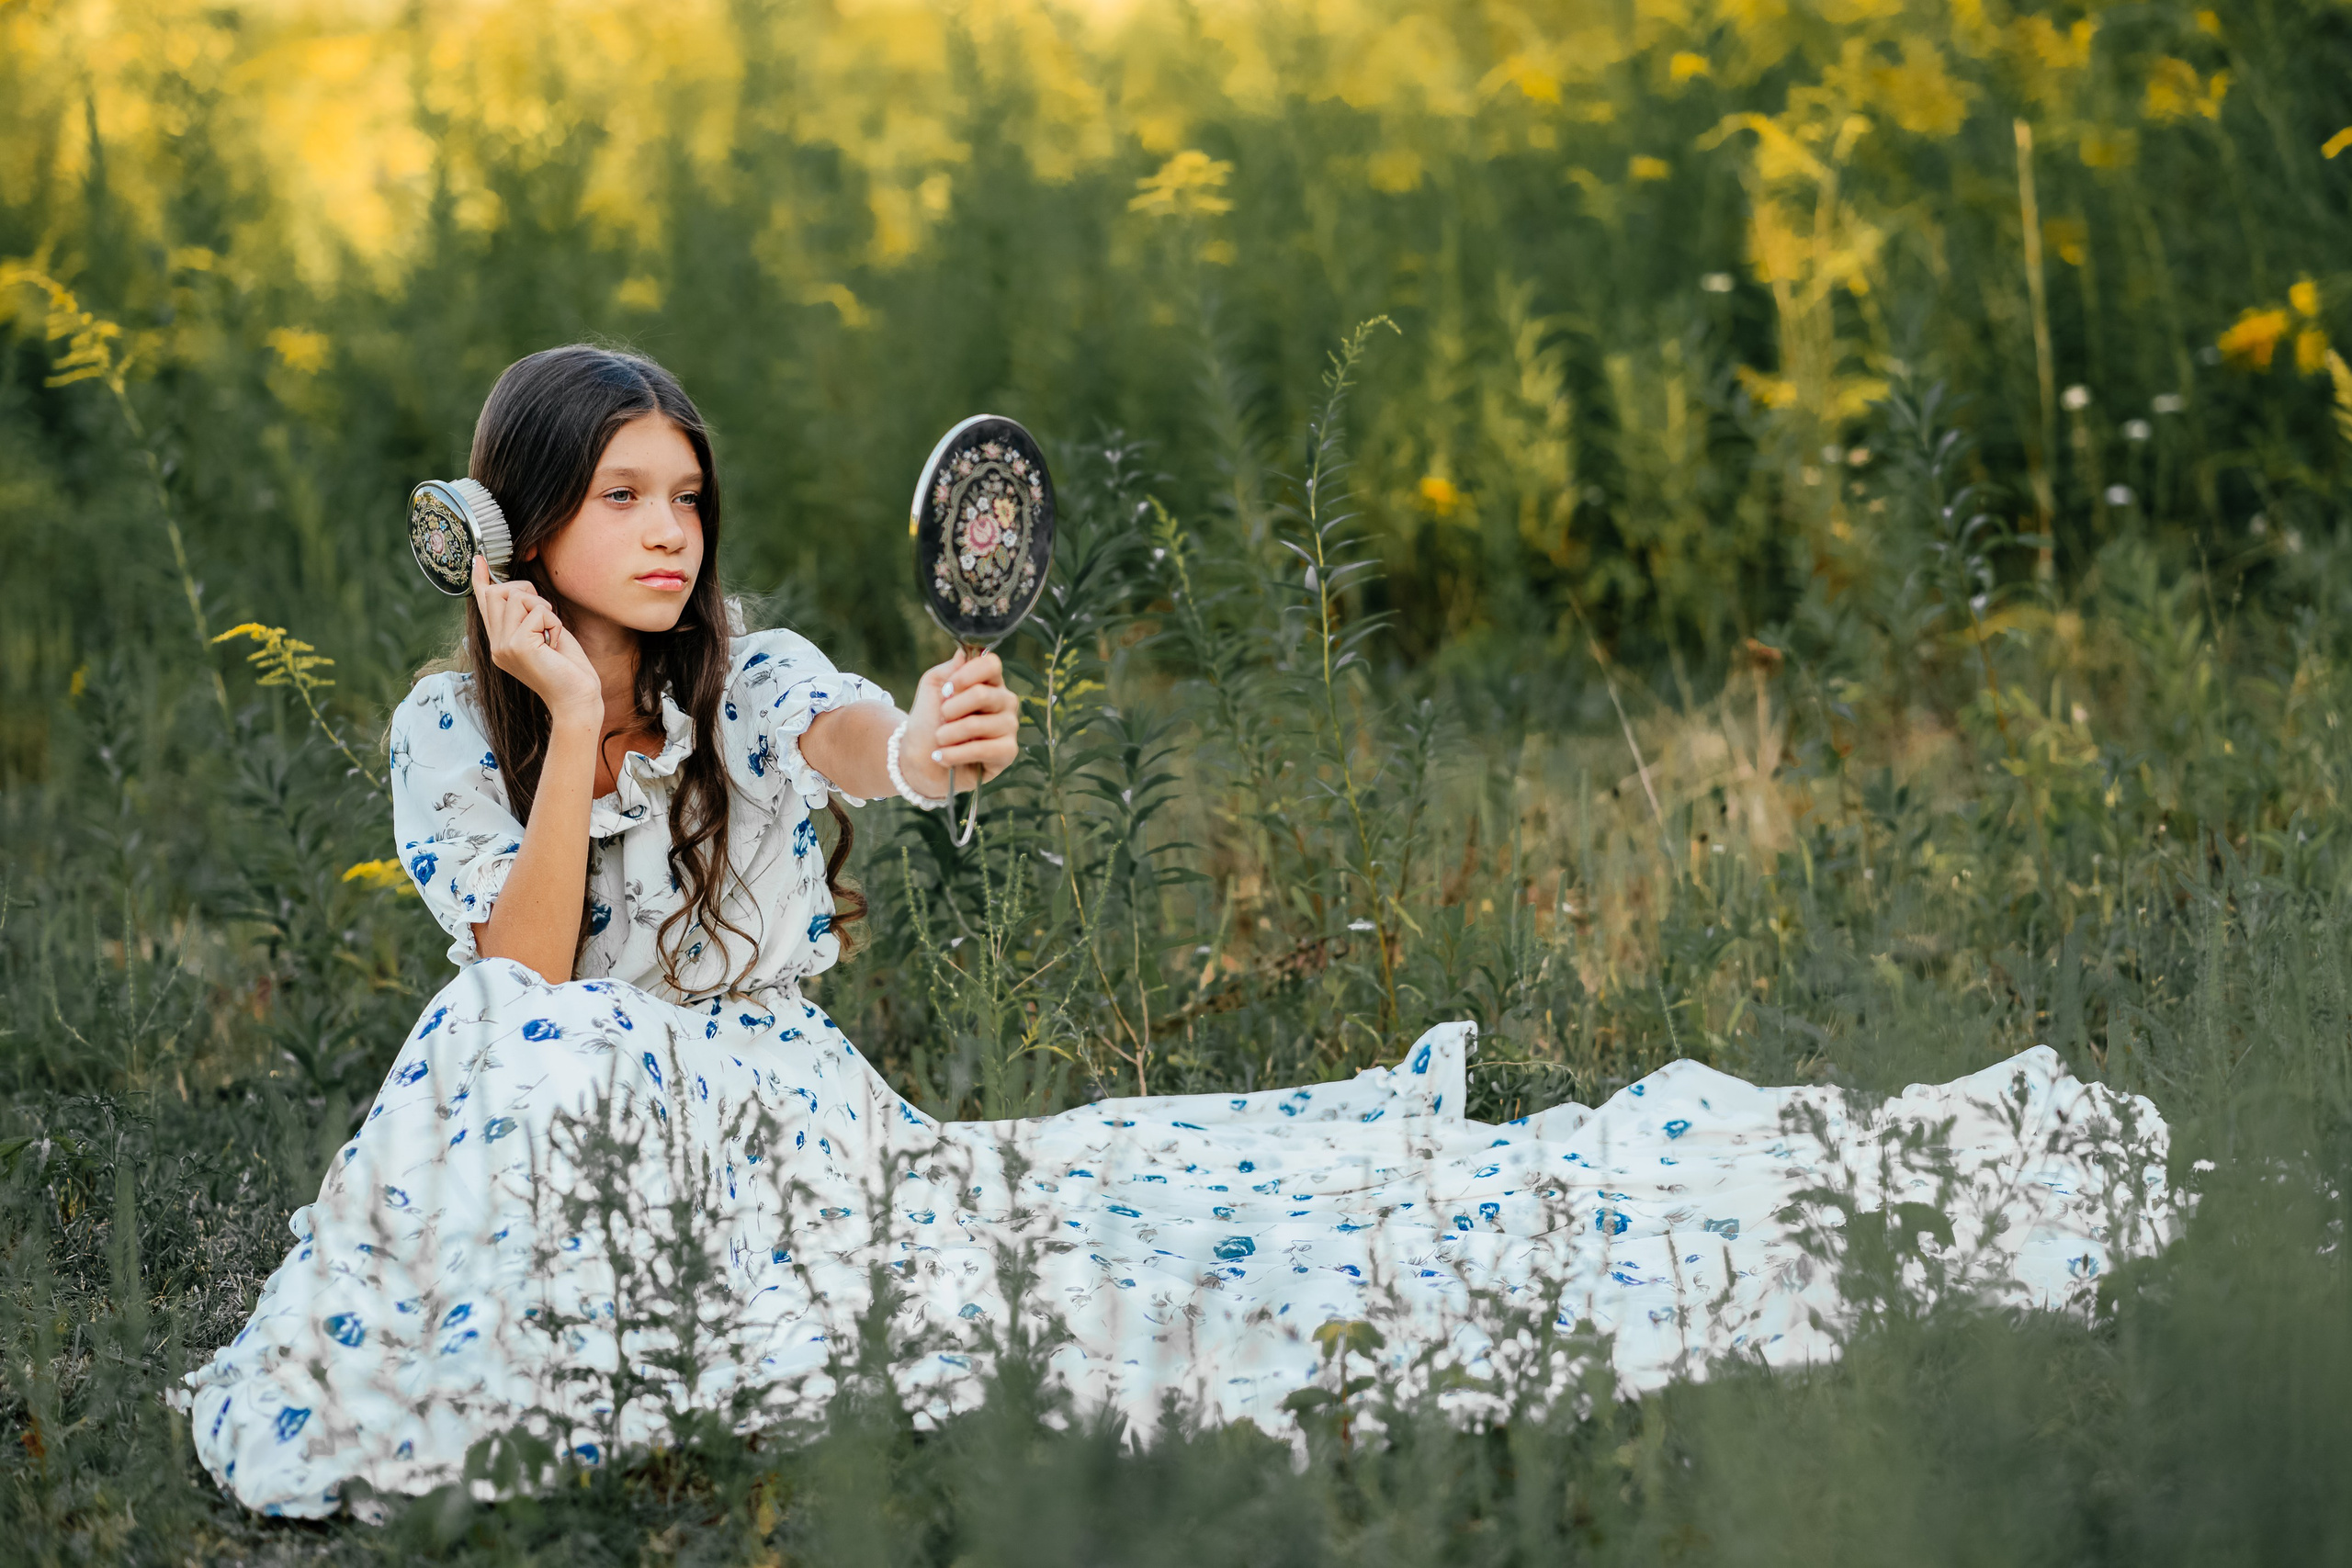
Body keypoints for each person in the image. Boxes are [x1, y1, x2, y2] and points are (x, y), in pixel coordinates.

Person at [175, 345, 2182, 1521]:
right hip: (567, 1112)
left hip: (771, 1117)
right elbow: (516, 978)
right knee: (497, 1044)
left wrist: (938, 744)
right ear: (523, 523)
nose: (671, 529)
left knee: (1097, 1244)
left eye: (685, 491)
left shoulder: (753, 671)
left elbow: (864, 744)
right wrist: (557, 724)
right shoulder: (447, 725)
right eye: (621, 496)